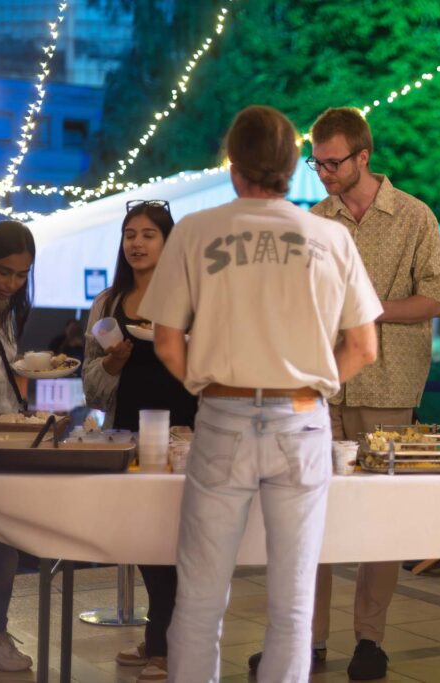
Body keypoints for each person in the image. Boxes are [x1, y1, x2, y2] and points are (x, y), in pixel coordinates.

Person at [139, 105, 381, 683]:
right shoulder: (330, 236)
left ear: (233, 165)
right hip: (301, 420)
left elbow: (166, 342)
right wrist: (312, 384)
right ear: (294, 166)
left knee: (200, 598)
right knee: (293, 604)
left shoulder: (196, 230)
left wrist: (212, 383)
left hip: (222, 416)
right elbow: (364, 347)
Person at [245, 106, 440, 681]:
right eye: (317, 163)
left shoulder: (414, 216)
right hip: (320, 383)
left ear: (364, 156)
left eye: (333, 163)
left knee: (379, 516)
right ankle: (306, 639)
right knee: (307, 512)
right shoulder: (312, 219)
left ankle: (370, 639)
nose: (324, 173)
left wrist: (366, 309)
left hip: (390, 383)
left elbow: (435, 298)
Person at [83, 199, 198, 682]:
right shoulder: (108, 304)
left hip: (184, 432)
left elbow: (211, 366)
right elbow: (91, 384)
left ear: (168, 243)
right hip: (127, 431)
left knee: (174, 539)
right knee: (146, 536)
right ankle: (161, 637)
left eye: (149, 234)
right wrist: (112, 363)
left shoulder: (191, 297)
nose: (137, 243)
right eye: (130, 234)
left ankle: (167, 645)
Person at [0, 221, 36, 678]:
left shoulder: (10, 312)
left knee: (6, 548)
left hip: (5, 444)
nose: (12, 283)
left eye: (21, 274)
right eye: (4, 272)